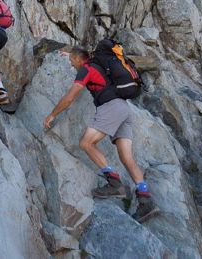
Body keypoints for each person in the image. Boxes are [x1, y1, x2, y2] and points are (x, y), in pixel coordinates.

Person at [43, 46, 158, 222]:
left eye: (72, 61)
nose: (72, 65)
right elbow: (81, 55)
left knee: (86, 143)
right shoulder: (98, 65)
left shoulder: (85, 69)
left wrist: (52, 114)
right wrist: (69, 54)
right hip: (124, 109)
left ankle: (114, 183)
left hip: (110, 107)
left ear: (78, 60)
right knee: (127, 158)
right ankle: (145, 198)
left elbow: (70, 97)